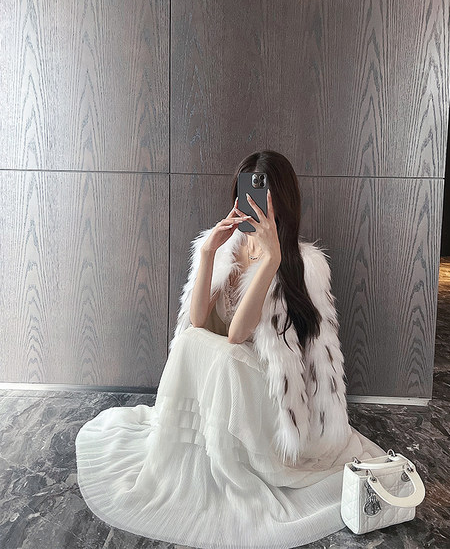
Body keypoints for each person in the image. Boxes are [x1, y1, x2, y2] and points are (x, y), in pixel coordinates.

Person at [75, 150, 386, 548]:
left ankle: (231, 461)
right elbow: (197, 320)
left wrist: (271, 260)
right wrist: (208, 252)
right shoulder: (225, 247)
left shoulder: (303, 264)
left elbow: (238, 334)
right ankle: (185, 455)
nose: (253, 204)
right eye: (247, 193)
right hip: (226, 382)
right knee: (192, 339)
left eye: (264, 196)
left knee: (226, 354)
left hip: (267, 399)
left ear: (282, 202)